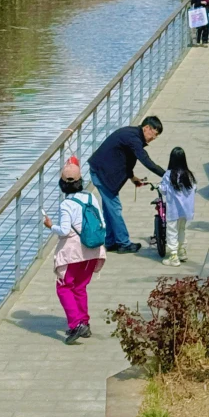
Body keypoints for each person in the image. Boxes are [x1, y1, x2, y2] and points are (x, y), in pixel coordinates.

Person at [43, 156, 106, 344]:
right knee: (80, 287)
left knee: (63, 287)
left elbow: (63, 230)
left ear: (62, 184)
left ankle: (76, 323)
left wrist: (50, 225)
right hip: (93, 249)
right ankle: (84, 322)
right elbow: (101, 221)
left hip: (73, 253)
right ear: (80, 181)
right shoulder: (90, 197)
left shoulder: (66, 204)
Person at [88, 115, 164, 253]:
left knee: (109, 209)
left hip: (102, 171)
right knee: (115, 208)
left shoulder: (133, 135)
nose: (154, 138)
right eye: (155, 134)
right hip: (102, 173)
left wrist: (132, 177)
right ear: (147, 128)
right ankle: (124, 243)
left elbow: (126, 157)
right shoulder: (133, 138)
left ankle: (110, 241)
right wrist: (166, 175)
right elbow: (146, 160)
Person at [161, 147, 196, 266]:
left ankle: (173, 256)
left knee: (171, 231)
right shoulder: (189, 175)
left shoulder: (168, 175)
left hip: (173, 210)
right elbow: (194, 189)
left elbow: (163, 190)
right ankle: (182, 251)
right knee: (181, 229)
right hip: (186, 210)